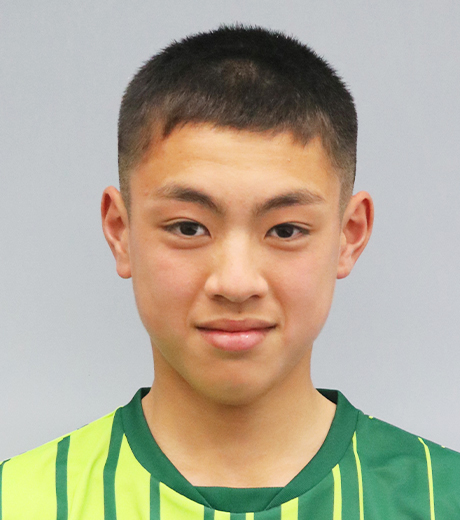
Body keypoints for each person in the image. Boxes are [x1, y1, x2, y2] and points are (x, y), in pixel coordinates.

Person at [1, 25, 459, 519]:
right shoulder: (20, 501)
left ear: (349, 235)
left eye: (285, 230)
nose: (236, 284)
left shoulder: (442, 497)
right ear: (120, 230)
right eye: (188, 227)